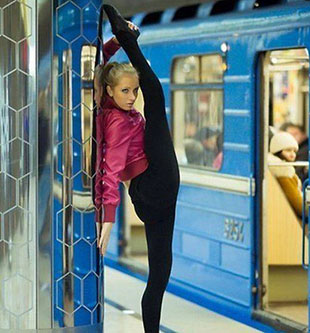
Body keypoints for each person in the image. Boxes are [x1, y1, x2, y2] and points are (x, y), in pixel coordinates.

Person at [94, 5, 180, 332]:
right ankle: (127, 37)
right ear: (111, 92)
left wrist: (113, 46)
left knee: (159, 277)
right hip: (152, 183)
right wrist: (108, 219)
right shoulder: (116, 122)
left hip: (155, 199)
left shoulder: (112, 103)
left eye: (134, 91)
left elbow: (103, 70)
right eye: (126, 92)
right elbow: (110, 171)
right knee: (156, 96)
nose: (132, 98)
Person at [268, 131, 303, 217]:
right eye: (288, 150)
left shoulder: (283, 168)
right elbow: (298, 206)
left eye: (294, 151)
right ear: (278, 151)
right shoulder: (283, 171)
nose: (292, 154)